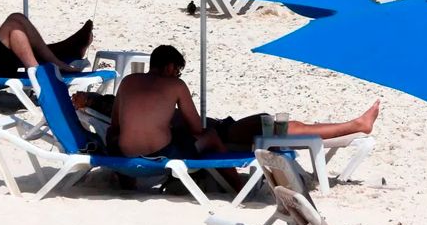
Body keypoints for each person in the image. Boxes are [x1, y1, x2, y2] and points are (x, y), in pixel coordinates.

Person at [107, 45, 378, 162]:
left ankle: (355, 124)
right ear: (168, 67)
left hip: (139, 150)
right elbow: (198, 130)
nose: (178, 75)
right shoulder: (173, 86)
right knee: (279, 127)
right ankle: (355, 125)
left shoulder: (129, 83)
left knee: (276, 125)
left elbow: (115, 125)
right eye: (178, 70)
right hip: (218, 134)